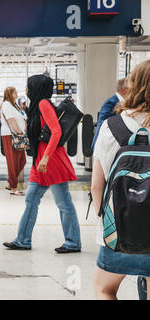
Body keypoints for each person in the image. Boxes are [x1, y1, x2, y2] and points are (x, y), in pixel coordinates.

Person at [91, 60, 150, 300]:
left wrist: (105, 222)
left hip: (119, 229)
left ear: (133, 86)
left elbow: (97, 186)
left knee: (104, 288)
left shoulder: (110, 126)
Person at [3, 74, 82, 254]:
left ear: (36, 87)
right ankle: (22, 240)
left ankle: (73, 242)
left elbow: (56, 132)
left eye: (28, 85)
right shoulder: (36, 106)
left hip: (51, 161)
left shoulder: (43, 104)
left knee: (63, 202)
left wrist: (45, 158)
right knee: (31, 199)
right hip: (40, 161)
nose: (26, 89)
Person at [0, 86, 27, 195]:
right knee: (13, 161)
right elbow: (11, 120)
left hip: (18, 135)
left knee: (22, 161)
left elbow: (22, 117)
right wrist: (19, 132)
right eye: (14, 92)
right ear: (9, 93)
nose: (17, 93)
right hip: (11, 135)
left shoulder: (14, 105)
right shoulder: (6, 105)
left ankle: (10, 183)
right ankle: (13, 188)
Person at [91, 78, 129, 149]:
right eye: (131, 89)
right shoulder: (111, 103)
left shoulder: (121, 102)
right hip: (103, 145)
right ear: (124, 89)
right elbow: (103, 124)